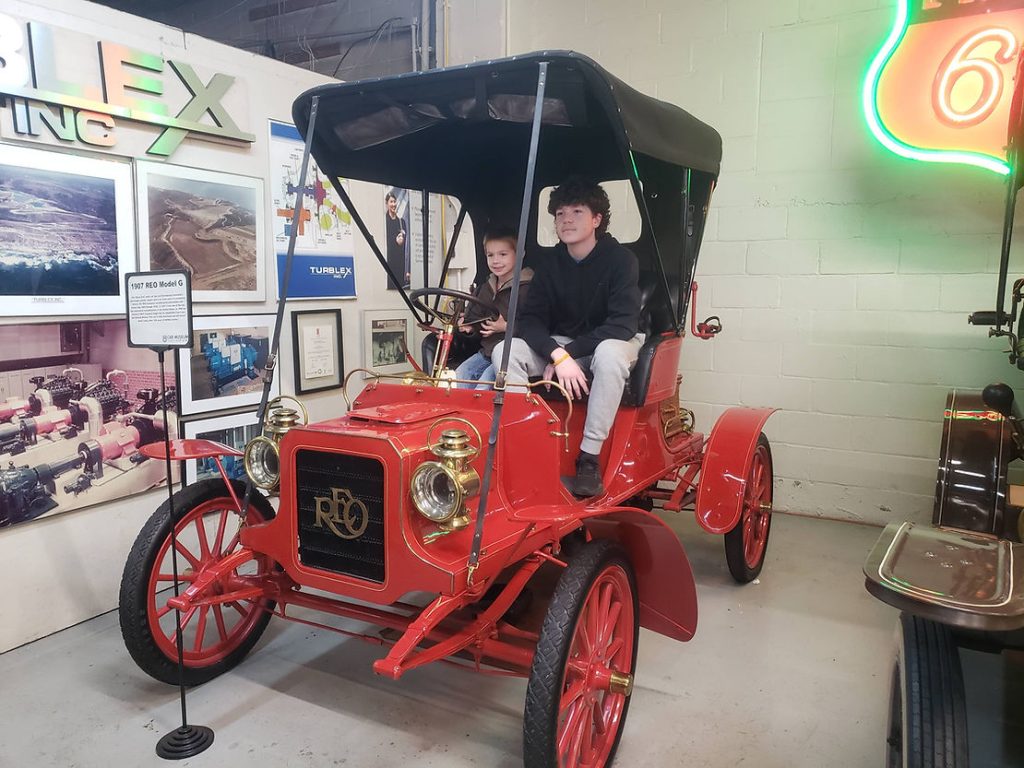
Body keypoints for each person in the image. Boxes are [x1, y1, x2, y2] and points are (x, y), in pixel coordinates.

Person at [493, 177, 642, 497]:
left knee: (610, 355)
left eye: (577, 211)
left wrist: (569, 353)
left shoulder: (621, 261)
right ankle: (525, 441)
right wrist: (556, 355)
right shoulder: (549, 265)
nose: (567, 220)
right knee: (506, 350)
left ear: (597, 219)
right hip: (563, 345)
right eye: (560, 213)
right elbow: (531, 321)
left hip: (611, 342)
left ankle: (588, 458)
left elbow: (622, 325)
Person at [454, 227, 533, 388]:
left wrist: (506, 327)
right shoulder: (486, 287)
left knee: (484, 385)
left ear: (520, 254)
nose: (495, 261)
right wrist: (469, 326)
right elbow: (476, 316)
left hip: (511, 356)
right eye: (490, 255)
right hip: (486, 352)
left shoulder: (529, 288)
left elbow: (536, 326)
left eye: (503, 254)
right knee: (459, 377)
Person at [384, 191, 409, 289]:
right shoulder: (384, 221)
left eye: (394, 201)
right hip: (389, 262)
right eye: (391, 202)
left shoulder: (401, 222)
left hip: (400, 262)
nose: (393, 204)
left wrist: (401, 241)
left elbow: (406, 244)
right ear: (387, 204)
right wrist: (395, 241)